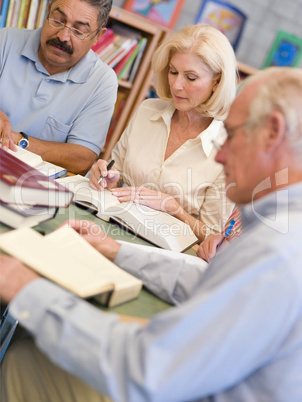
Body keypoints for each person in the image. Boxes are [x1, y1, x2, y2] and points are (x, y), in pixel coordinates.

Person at [2, 66, 302, 401]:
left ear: (272, 133)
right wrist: (117, 250)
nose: (220, 154)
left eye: (231, 135)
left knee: (25, 362)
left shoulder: (275, 253)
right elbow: (208, 279)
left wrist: (26, 290)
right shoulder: (281, 231)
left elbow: (146, 371)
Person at [89, 24, 237, 241]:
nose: (176, 85)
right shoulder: (147, 110)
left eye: (191, 77)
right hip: (110, 229)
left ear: (217, 81)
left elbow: (213, 237)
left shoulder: (231, 151)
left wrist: (173, 208)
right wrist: (108, 178)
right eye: (173, 72)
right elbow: (116, 174)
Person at [0, 0, 117, 175]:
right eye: (58, 20)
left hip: (33, 186)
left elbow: (82, 159)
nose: (62, 36)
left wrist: (18, 141)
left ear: (97, 36)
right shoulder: (5, 40)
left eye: (79, 31)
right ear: (47, 12)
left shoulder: (103, 81)